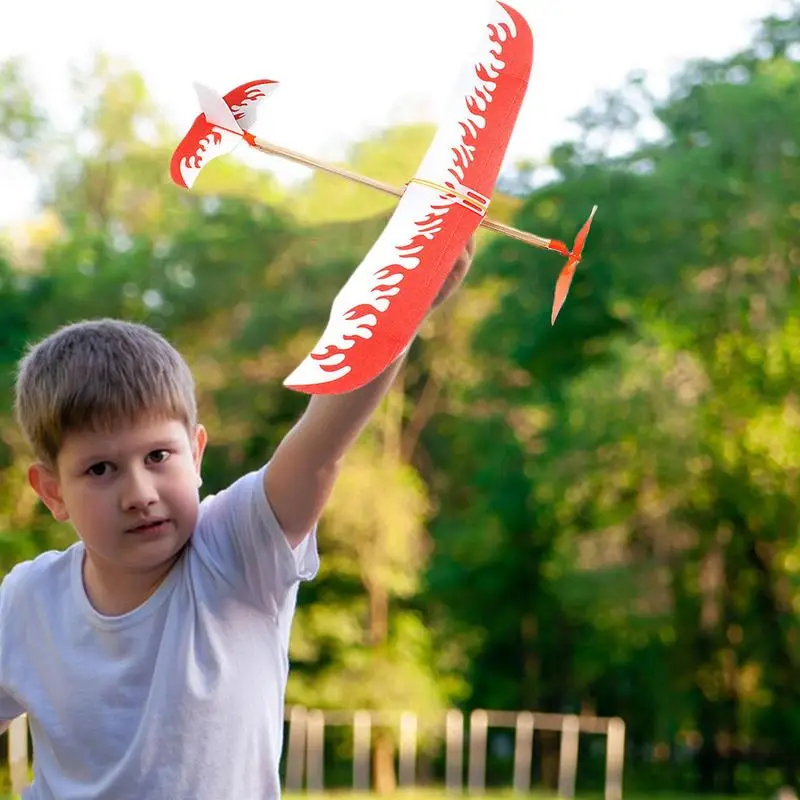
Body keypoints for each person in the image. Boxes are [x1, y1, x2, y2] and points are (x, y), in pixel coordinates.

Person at [0, 236, 475, 799]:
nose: (139, 492)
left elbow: (320, 447)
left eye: (158, 457)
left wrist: (406, 300)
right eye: (101, 470)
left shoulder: (235, 548)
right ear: (52, 492)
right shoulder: (28, 600)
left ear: (196, 455)